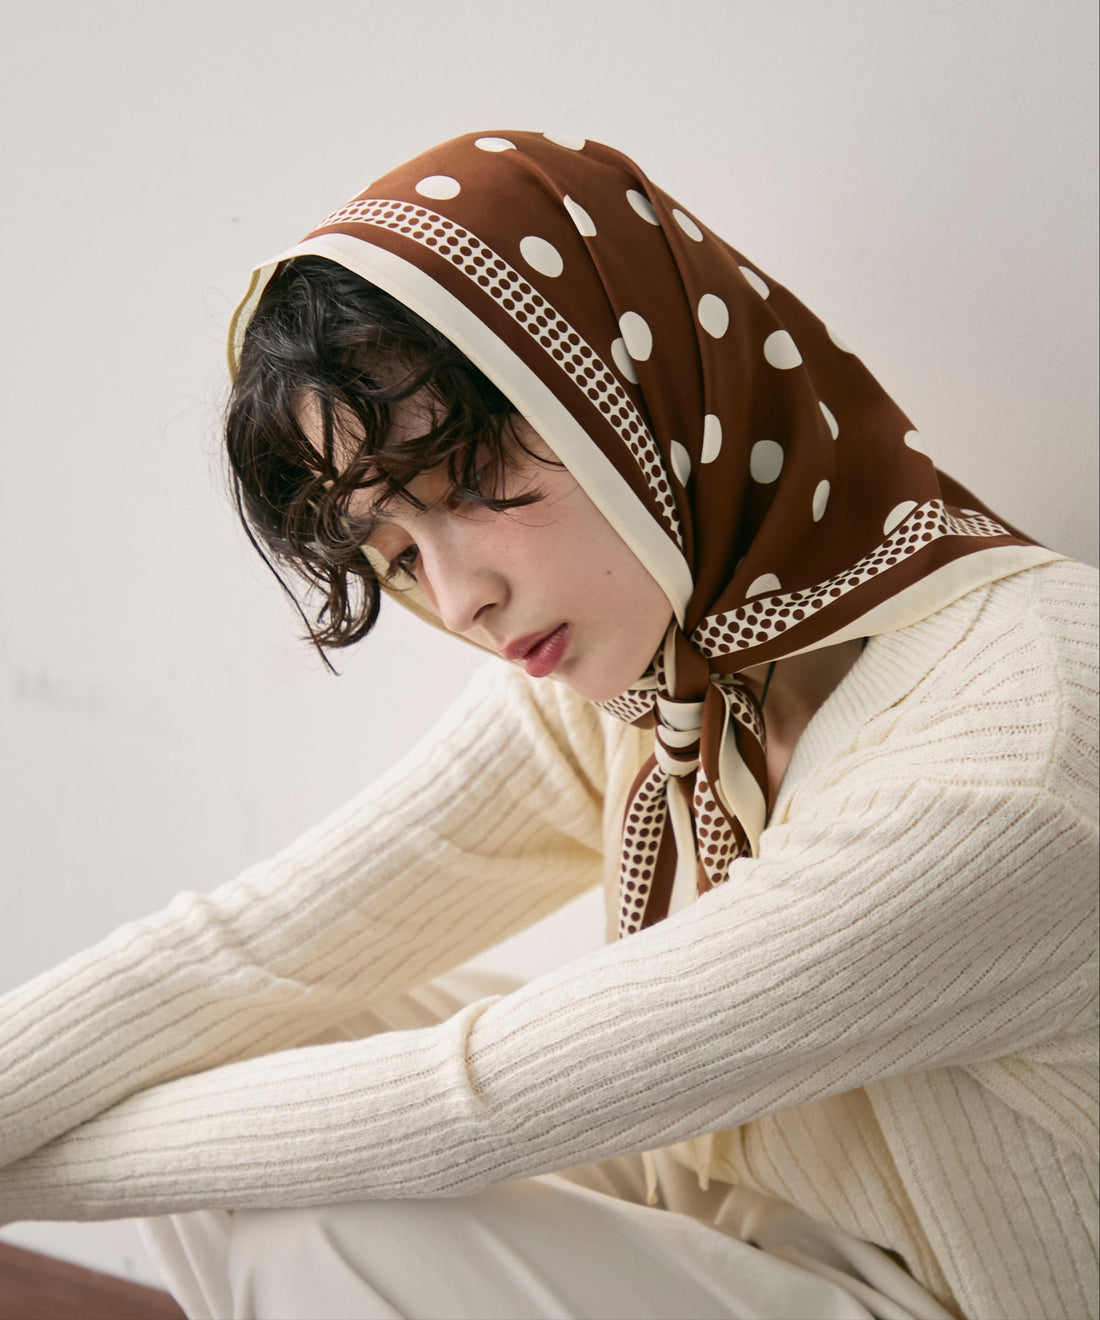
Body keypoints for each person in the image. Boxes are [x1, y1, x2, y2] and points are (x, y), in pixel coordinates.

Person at [0, 131, 1096, 1320]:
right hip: (743, 1225)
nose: (457, 599)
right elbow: (246, 952)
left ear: (637, 394)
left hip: (960, 1295)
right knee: (224, 1039)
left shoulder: (1010, 752)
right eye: (395, 551)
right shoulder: (660, 658)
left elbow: (468, 1105)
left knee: (315, 1214)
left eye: (465, 487)